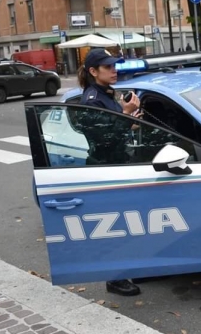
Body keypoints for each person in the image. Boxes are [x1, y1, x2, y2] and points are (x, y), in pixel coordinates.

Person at [77, 48, 143, 296]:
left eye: (114, 66)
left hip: (116, 164)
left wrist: (131, 121)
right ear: (93, 71)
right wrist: (125, 115)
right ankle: (114, 279)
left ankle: (128, 269)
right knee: (113, 226)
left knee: (125, 222)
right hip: (103, 167)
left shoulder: (107, 94)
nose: (114, 70)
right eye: (108, 67)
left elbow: (114, 128)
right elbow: (102, 137)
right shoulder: (92, 99)